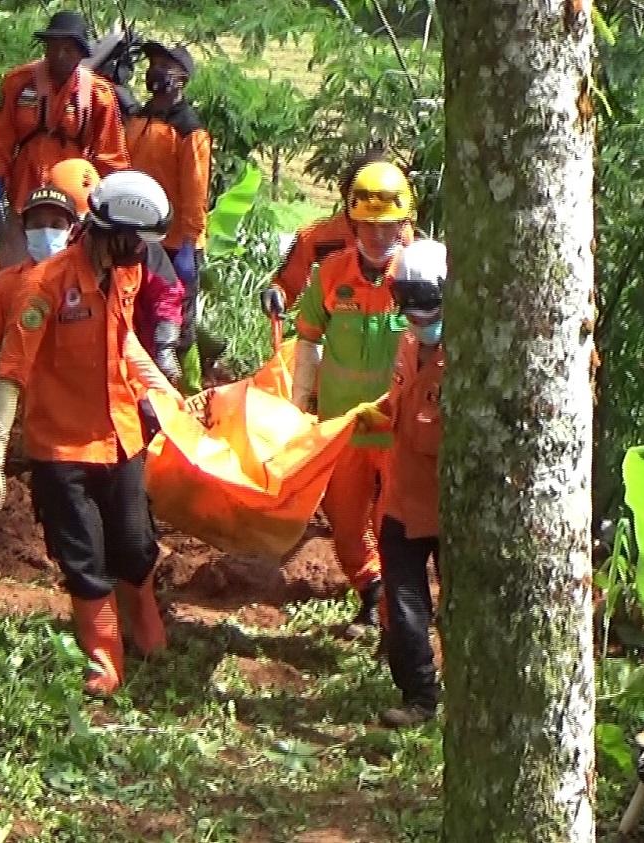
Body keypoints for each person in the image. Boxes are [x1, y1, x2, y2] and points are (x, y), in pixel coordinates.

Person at [0, 170, 183, 696]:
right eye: (135, 241)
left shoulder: (126, 274)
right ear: (108, 231)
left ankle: (146, 632)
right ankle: (104, 659)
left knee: (135, 547)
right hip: (62, 448)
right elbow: (10, 374)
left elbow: (126, 343)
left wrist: (169, 398)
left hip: (122, 435)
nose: (141, 252)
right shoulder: (43, 287)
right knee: (85, 558)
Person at [0, 159, 182, 456]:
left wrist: (160, 386)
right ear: (24, 229)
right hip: (55, 434)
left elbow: (127, 344)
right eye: (37, 224)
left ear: (77, 226)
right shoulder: (12, 286)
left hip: (113, 422)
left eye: (56, 224)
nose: (46, 233)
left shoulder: (116, 272)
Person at [292, 161, 417, 639]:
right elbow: (308, 340)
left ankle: (395, 630)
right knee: (346, 530)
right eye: (369, 225)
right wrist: (300, 406)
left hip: (399, 432)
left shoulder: (419, 277)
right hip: (342, 428)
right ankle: (372, 590)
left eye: (389, 227)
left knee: (394, 530)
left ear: (405, 224)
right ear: (353, 222)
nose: (379, 236)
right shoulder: (330, 274)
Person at [352, 239, 447, 728]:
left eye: (427, 310)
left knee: (459, 607)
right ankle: (419, 698)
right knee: (405, 601)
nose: (419, 322)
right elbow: (400, 401)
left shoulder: (470, 360)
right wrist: (379, 414)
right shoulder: (410, 342)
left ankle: (465, 691)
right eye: (409, 311)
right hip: (404, 498)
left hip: (452, 508)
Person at [0, 10, 131, 269]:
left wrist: (113, 210)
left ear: (81, 52)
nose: (60, 54)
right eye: (54, 46)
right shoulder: (18, 83)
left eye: (68, 48)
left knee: (69, 276)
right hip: (25, 194)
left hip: (74, 200)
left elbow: (112, 157)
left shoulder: (98, 94)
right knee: (15, 272)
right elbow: (1, 140)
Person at [124, 41, 210, 379]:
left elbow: (195, 190)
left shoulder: (190, 129)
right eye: (153, 63)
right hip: (138, 236)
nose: (155, 70)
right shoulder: (139, 119)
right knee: (140, 317)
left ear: (183, 79)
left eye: (165, 65)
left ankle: (186, 395)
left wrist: (189, 243)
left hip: (176, 244)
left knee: (176, 331)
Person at [259, 150, 414, 318]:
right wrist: (276, 295)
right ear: (348, 195)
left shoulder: (404, 238)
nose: (378, 234)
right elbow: (286, 286)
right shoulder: (316, 240)